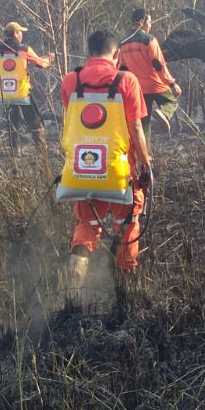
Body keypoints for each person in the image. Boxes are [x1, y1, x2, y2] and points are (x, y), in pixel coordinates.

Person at [62, 29, 153, 275]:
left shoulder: (71, 80)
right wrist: (146, 163)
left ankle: (75, 281)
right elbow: (135, 127)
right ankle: (126, 281)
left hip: (81, 169)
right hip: (119, 171)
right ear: (117, 55)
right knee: (128, 223)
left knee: (88, 223)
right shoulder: (126, 81)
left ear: (89, 53)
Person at [0, 21, 55, 154]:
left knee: (12, 122)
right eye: (20, 32)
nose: (21, 34)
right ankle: (42, 151)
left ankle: (14, 152)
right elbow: (40, 64)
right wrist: (49, 58)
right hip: (22, 92)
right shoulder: (24, 49)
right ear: (15, 34)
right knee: (35, 121)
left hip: (5, 94)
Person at [118, 7, 181, 144]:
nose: (150, 25)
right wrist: (172, 83)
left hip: (138, 90)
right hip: (156, 85)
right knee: (171, 101)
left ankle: (146, 158)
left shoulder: (122, 44)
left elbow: (122, 69)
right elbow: (159, 65)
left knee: (143, 125)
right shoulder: (149, 40)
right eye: (149, 22)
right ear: (142, 21)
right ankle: (163, 113)